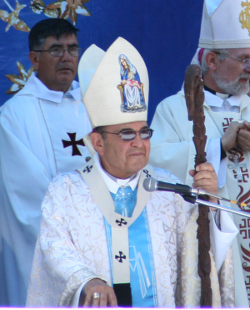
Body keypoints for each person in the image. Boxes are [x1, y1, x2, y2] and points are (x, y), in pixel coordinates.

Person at [26, 37, 238, 307]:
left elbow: (203, 262)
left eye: (144, 132)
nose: (139, 142)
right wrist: (85, 280)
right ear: (98, 143)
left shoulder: (170, 189)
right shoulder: (66, 192)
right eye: (127, 134)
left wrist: (211, 204)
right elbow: (54, 249)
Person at [149, 0, 250, 306]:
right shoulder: (174, 109)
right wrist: (219, 145)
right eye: (244, 59)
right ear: (211, 60)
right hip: (214, 243)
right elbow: (156, 168)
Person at [0, 18, 92, 306]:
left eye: (72, 49)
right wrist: (79, 227)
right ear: (34, 59)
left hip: (100, 237)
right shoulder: (14, 116)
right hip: (47, 244)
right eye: (56, 49)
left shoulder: (93, 103)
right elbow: (25, 192)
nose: (66, 57)